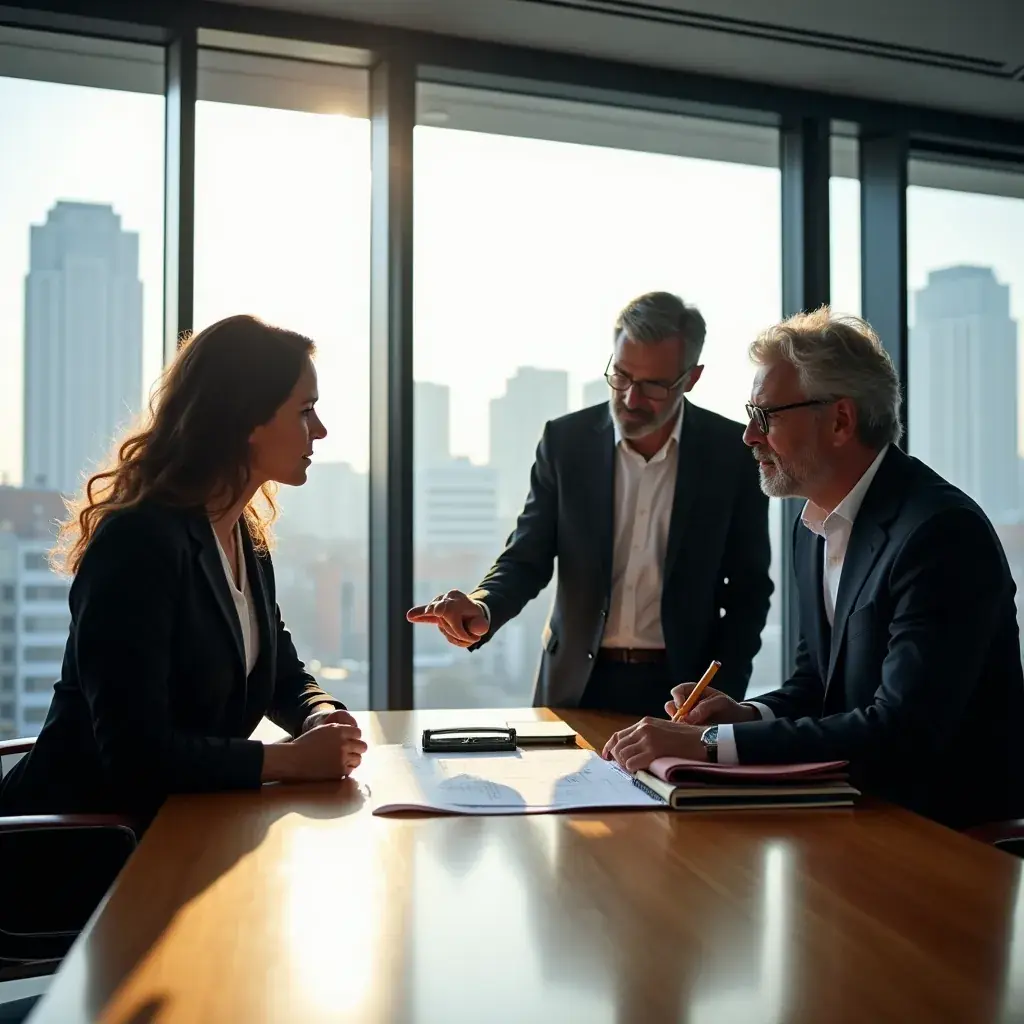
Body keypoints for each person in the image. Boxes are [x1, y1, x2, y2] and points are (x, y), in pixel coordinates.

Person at [603, 307, 1024, 830]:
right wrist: (744, 716)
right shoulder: (814, 524)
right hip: (854, 817)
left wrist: (711, 744)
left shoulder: (941, 534)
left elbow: (901, 730)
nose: (749, 437)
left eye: (765, 417)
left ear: (841, 420)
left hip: (947, 838)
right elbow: (815, 686)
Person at [0, 315, 366, 822]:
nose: (320, 430)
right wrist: (291, 761)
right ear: (247, 419)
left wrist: (320, 716)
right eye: (306, 411)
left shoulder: (244, 538)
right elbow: (135, 756)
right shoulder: (138, 543)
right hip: (81, 842)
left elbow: (282, 674)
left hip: (187, 826)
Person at [408, 291, 773, 716]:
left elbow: (750, 592)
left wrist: (723, 691)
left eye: (653, 385)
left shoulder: (731, 454)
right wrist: (484, 606)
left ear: (691, 378)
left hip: (684, 692)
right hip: (574, 685)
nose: (631, 399)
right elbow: (527, 557)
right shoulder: (566, 443)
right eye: (621, 376)